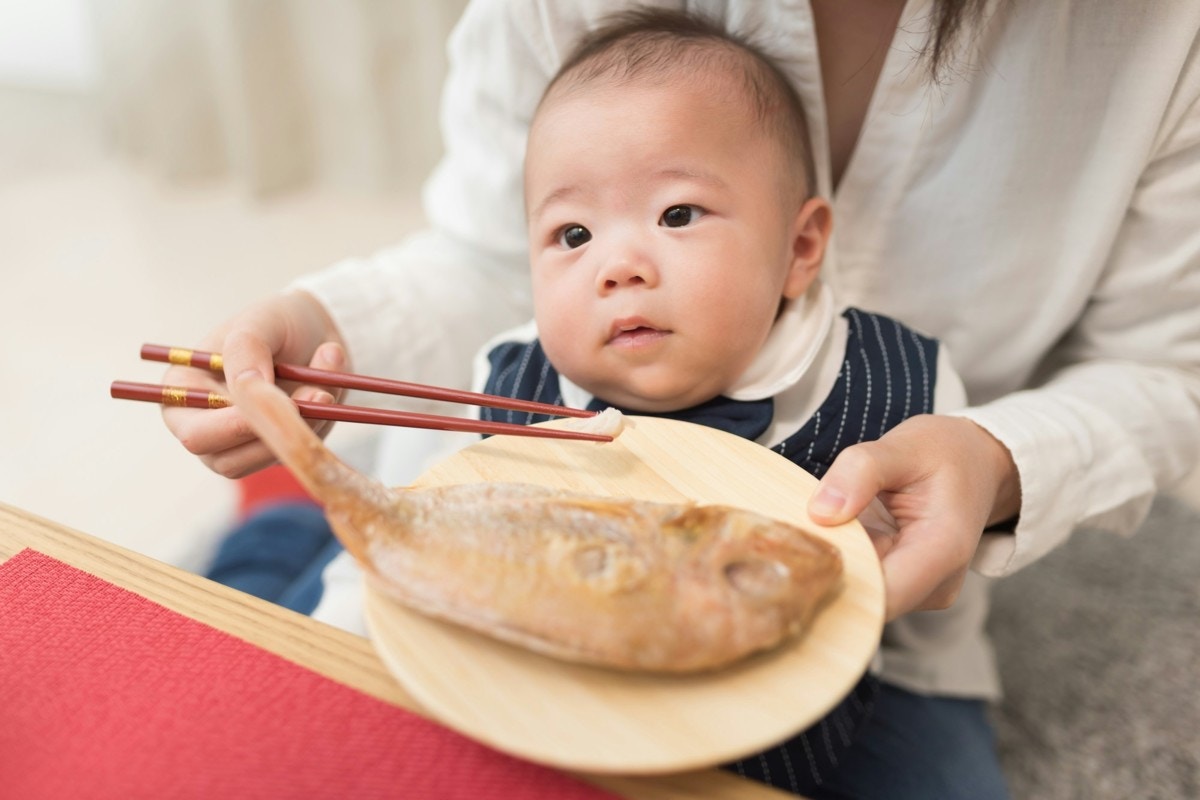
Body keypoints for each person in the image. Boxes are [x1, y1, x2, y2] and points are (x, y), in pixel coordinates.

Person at [160, 1, 1200, 798]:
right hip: (545, 642)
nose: (618, 264)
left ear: (803, 245)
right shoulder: (511, 374)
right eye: (574, 236)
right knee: (298, 681)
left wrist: (997, 463)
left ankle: (277, 530)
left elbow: (1165, 368)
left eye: (677, 214)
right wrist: (317, 319)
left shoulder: (902, 379)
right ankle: (276, 533)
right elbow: (415, 550)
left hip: (864, 668)